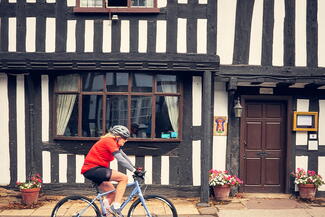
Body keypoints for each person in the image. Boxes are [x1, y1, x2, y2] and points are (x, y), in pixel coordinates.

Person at [81, 125, 142, 216]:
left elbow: (124, 157)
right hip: (93, 169)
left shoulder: (114, 143)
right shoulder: (109, 141)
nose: (126, 141)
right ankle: (116, 206)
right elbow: (120, 159)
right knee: (123, 178)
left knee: (112, 194)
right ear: (118, 137)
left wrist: (135, 168)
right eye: (124, 138)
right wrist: (134, 171)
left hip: (96, 170)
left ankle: (104, 214)